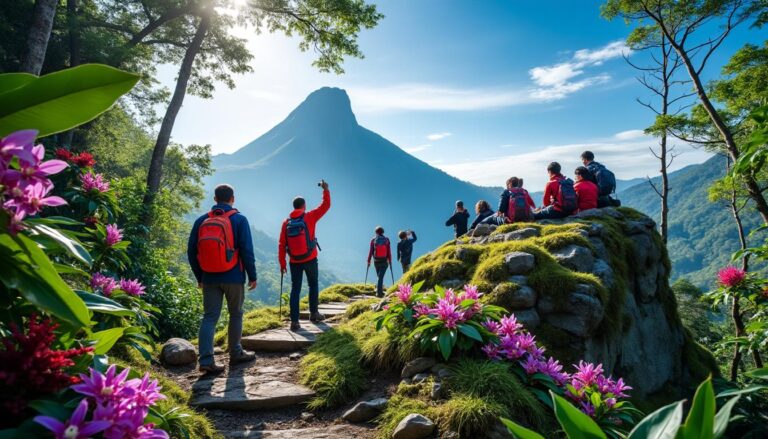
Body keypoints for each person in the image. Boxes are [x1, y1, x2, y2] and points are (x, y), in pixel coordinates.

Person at [188, 184, 257, 374]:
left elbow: (191, 252)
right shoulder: (239, 219)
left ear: (215, 199)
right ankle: (236, 353)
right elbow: (246, 250)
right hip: (234, 276)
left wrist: (199, 276)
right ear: (232, 198)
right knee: (236, 313)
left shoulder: (202, 220)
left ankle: (206, 361)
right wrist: (252, 276)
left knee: (209, 317)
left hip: (209, 276)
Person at [279, 180, 331, 331]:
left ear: (293, 207)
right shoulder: (310, 216)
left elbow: (282, 244)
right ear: (304, 206)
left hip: (294, 261)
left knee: (295, 288)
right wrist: (325, 190)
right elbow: (325, 206)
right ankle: (314, 313)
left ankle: (294, 322)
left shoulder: (286, 222)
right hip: (310, 258)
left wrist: (282, 263)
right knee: (313, 284)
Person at [368, 226, 392, 297]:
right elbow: (389, 252)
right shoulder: (386, 240)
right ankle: (379, 293)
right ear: (383, 232)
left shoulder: (373, 240)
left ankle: (378, 290)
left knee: (379, 276)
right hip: (384, 261)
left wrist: (368, 261)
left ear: (376, 232)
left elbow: (371, 252)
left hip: (376, 261)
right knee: (380, 277)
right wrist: (390, 261)